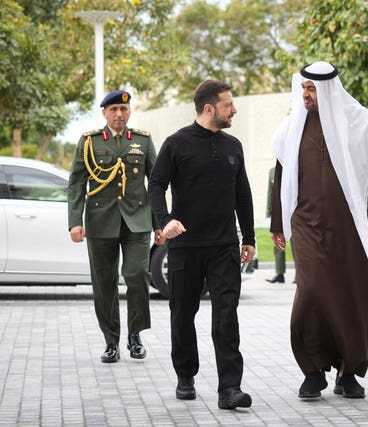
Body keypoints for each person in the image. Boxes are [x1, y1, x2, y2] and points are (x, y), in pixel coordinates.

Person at [270, 61, 368, 400]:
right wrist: (277, 223)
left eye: (311, 89)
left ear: (328, 90)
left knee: (353, 296)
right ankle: (313, 370)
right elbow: (281, 177)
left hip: (351, 227)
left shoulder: (361, 123)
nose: (305, 95)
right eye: (303, 88)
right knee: (311, 292)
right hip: (308, 225)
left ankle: (348, 371)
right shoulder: (292, 127)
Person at [148, 79, 255, 409]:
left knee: (227, 316)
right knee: (182, 313)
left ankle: (230, 388)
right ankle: (185, 375)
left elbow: (243, 195)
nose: (233, 109)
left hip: (224, 246)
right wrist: (165, 221)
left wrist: (248, 237)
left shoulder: (233, 146)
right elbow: (156, 184)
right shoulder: (176, 144)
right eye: (228, 105)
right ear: (209, 108)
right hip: (185, 247)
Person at [68, 90, 164, 363]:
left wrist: (159, 223)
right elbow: (76, 182)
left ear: (130, 111)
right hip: (100, 222)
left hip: (137, 221)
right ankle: (111, 341)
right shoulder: (89, 142)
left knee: (136, 275)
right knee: (104, 284)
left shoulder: (142, 141)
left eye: (123, 109)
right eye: (113, 110)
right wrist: (75, 221)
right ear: (105, 114)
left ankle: (135, 335)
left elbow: (155, 184)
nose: (119, 114)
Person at [265, 166, 294, 283]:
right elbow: (270, 193)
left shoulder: (293, 167)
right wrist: (268, 212)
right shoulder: (272, 171)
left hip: (293, 212)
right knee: (278, 243)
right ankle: (279, 273)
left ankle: (300, 274)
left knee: (296, 244)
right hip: (279, 213)